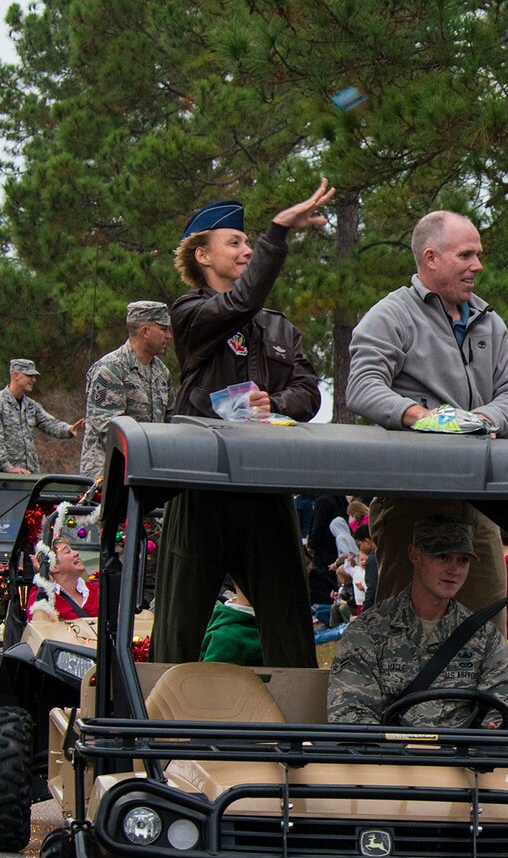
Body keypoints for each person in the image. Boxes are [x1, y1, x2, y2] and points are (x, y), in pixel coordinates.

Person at [155, 188, 330, 668]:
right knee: (178, 627)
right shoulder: (190, 314)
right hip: (200, 485)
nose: (246, 250)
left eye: (249, 242)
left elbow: (309, 392)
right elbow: (238, 301)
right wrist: (278, 232)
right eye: (234, 243)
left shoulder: (279, 328)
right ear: (203, 254)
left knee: (289, 624)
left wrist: (274, 402)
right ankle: (156, 736)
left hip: (263, 486)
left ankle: (295, 740)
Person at [346, 210, 508, 612]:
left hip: (479, 500)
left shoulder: (488, 321)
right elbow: (361, 387)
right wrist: (429, 419)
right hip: (413, 495)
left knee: (484, 629)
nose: (477, 265)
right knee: (404, 629)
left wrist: (478, 422)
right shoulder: (390, 315)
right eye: (465, 255)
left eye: (478, 255)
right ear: (430, 258)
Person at [325, 516, 508, 729]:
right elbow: (349, 716)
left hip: (463, 759)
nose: (454, 570)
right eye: (442, 557)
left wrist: (490, 740)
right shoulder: (367, 633)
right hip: (389, 759)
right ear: (414, 554)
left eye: (463, 560)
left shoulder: (484, 637)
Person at [80, 301, 174, 484]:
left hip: (146, 472)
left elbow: (171, 420)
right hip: (108, 475)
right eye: (163, 329)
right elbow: (110, 431)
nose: (169, 336)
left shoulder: (162, 372)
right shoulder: (110, 369)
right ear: (145, 332)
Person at [0, 359, 77, 475]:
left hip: (29, 475)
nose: (33, 380)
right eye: (29, 375)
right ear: (16, 375)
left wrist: (69, 429)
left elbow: (49, 423)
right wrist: (8, 468)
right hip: (3, 479)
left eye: (34, 376)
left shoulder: (31, 406)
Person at [32, 535, 97, 620]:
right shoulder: (41, 595)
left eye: (72, 550)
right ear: (54, 567)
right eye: (67, 551)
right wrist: (46, 585)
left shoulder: (97, 590)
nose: (76, 553)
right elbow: (37, 623)